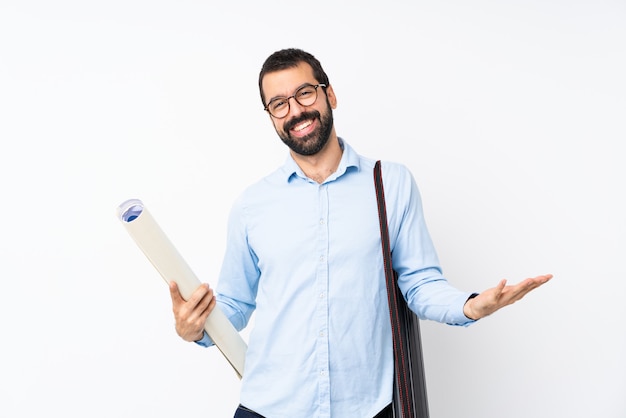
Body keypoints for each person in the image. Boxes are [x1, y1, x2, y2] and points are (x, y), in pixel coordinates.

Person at [168, 48, 552, 418]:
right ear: (270, 117)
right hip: (269, 407)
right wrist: (196, 328)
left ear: (329, 94)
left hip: (366, 407)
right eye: (279, 104)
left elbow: (419, 284)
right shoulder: (251, 205)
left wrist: (470, 306)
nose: (295, 110)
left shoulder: (390, 184)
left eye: (304, 93)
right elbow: (234, 305)